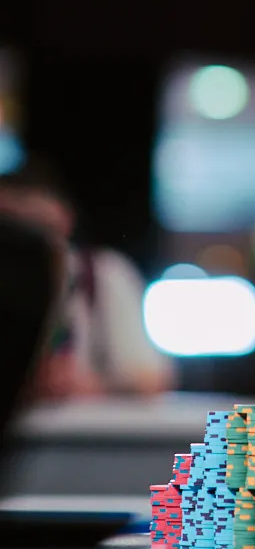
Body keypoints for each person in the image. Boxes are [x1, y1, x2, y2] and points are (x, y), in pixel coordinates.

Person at [0, 158, 176, 400]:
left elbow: (152, 378)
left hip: (76, 420)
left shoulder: (102, 275)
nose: (27, 248)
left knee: (227, 422)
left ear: (64, 220)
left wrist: (87, 386)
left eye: (39, 229)